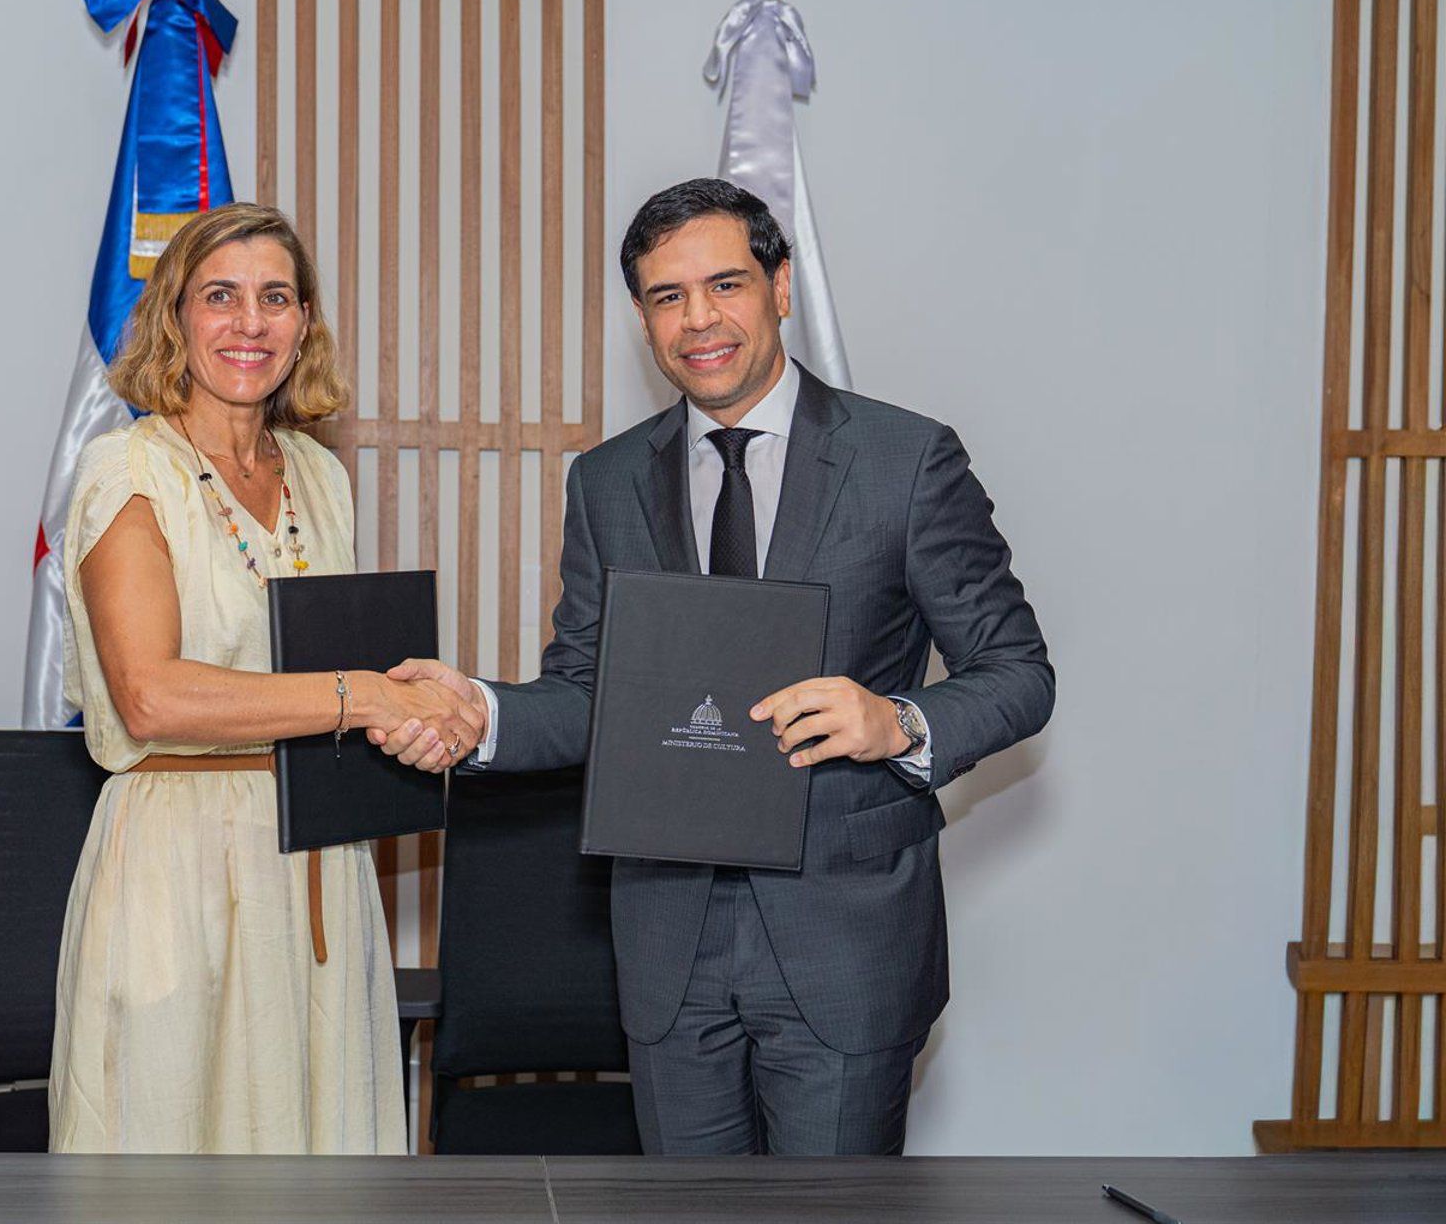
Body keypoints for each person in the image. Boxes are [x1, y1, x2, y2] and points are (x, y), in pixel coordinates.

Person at [377, 178, 1053, 1155]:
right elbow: (587, 689)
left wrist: (897, 721)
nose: (698, 318)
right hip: (669, 944)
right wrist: (483, 711)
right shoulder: (607, 480)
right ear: (643, 317)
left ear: (780, 286)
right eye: (668, 296)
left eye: (725, 284)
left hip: (844, 938)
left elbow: (1018, 671)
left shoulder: (905, 460)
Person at [48, 201, 481, 1154]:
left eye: (276, 298)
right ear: (175, 316)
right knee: (170, 1154)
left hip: (321, 856)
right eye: (221, 297)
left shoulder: (321, 477)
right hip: (177, 861)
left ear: (305, 322)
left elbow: (342, 662)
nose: (251, 323)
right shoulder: (128, 470)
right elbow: (150, 696)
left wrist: (428, 708)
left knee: (319, 1149)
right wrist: (364, 695)